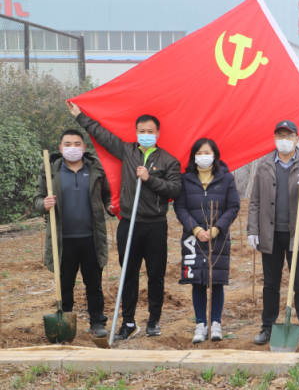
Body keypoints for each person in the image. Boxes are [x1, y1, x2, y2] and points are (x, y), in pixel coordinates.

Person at [68, 101, 182, 340]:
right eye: (142, 130)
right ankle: (128, 323)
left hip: (155, 226)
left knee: (155, 275)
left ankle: (153, 321)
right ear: (136, 132)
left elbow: (175, 190)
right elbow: (102, 135)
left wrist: (150, 178)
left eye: (150, 131)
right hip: (129, 224)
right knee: (128, 275)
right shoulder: (127, 151)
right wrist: (80, 116)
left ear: (158, 134)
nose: (146, 134)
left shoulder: (169, 160)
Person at [248, 120, 299, 346]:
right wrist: (253, 229)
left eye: (289, 136)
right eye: (280, 136)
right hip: (270, 234)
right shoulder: (264, 163)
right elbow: (255, 200)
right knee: (271, 284)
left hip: (298, 233)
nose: (284, 140)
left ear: (297, 139)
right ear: (274, 138)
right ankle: (267, 328)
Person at [33, 130, 113, 338]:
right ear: (61, 148)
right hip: (62, 239)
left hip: (91, 237)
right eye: (68, 144)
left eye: (77, 144)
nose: (73, 148)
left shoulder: (96, 168)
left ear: (84, 148)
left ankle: (97, 322)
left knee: (94, 284)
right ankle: (65, 323)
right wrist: (44, 204)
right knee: (65, 285)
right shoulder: (51, 170)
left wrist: (110, 206)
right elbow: (38, 198)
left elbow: (107, 194)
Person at [174, 139, 240, 343]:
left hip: (218, 238)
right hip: (193, 239)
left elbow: (233, 206)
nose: (204, 156)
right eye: (199, 153)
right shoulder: (186, 179)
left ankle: (216, 324)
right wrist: (195, 229)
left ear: (215, 155)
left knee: (216, 281)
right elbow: (180, 207)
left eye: (207, 152)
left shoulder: (226, 178)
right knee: (197, 282)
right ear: (194, 156)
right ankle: (200, 324)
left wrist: (215, 229)